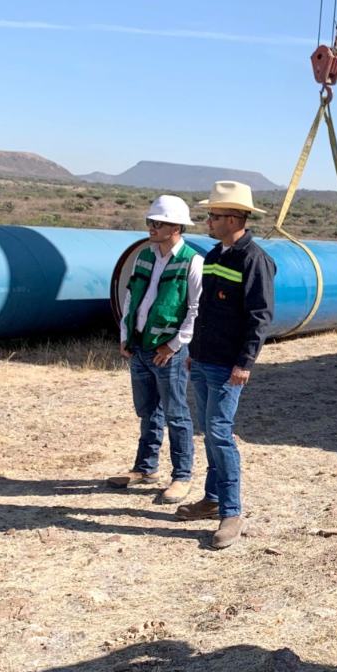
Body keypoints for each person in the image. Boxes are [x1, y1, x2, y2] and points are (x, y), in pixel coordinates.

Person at [174, 181, 276, 550]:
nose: (208, 220)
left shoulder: (254, 260)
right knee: (210, 432)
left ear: (233, 218)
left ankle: (231, 512)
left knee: (219, 432)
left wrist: (244, 362)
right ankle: (212, 499)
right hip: (203, 360)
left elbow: (259, 317)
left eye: (213, 215)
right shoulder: (216, 255)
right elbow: (207, 310)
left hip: (227, 366)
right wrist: (193, 351)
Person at [107, 195, 204, 504]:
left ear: (175, 226)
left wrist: (173, 346)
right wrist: (125, 335)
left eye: (157, 222)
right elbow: (131, 298)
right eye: (149, 221)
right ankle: (145, 468)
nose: (150, 226)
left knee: (176, 414)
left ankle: (182, 476)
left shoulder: (192, 261)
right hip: (139, 347)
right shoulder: (145, 256)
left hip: (168, 353)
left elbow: (195, 310)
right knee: (147, 410)